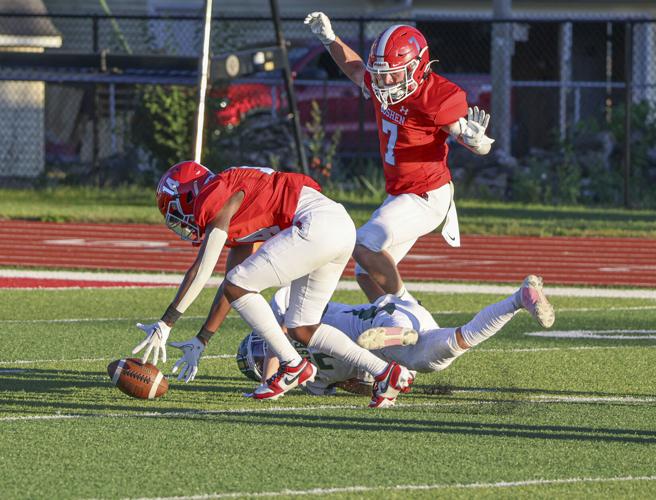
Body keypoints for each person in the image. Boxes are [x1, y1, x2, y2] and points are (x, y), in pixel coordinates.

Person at [131, 161, 414, 408]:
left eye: (175, 209)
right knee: (302, 327)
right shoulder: (234, 200)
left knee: (240, 285)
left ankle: (292, 365)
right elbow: (230, 286)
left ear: (191, 195)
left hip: (317, 225)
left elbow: (203, 270)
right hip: (337, 224)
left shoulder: (217, 197)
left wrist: (166, 323)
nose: (177, 220)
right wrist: (201, 339)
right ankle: (384, 371)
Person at [304, 13, 495, 302]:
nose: (384, 82)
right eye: (381, 74)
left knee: (364, 245)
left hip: (427, 196)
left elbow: (474, 142)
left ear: (417, 66)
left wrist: (477, 142)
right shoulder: (386, 88)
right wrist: (330, 39)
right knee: (366, 273)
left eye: (393, 73)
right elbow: (356, 69)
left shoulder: (435, 97)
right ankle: (396, 326)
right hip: (402, 194)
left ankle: (406, 306)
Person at [237, 275, 555, 396]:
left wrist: (269, 381)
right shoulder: (314, 381)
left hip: (378, 322)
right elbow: (353, 384)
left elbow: (275, 333)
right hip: (390, 325)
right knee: (448, 347)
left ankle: (402, 340)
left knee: (421, 355)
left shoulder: (282, 313)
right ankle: (517, 299)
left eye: (262, 349)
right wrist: (362, 387)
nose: (267, 350)